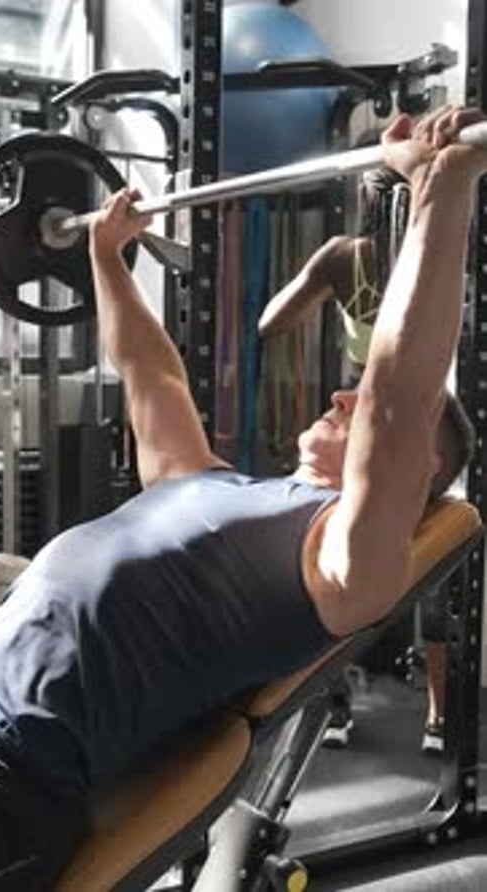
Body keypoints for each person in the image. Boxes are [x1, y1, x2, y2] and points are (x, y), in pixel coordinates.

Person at [0, 105, 483, 890]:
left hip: (9, 779)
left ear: (420, 462)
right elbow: (152, 376)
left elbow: (398, 392)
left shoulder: (340, 559)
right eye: (345, 393)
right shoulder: (209, 481)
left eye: (356, 401)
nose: (341, 397)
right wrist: (105, 257)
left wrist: (441, 187)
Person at [258, 167, 468, 755]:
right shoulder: (459, 247)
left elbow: (271, 321)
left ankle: (343, 706)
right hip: (426, 429)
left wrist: (338, 297)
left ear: (363, 199)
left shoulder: (345, 258)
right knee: (425, 564)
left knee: (337, 560)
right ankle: (436, 715)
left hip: (389, 431)